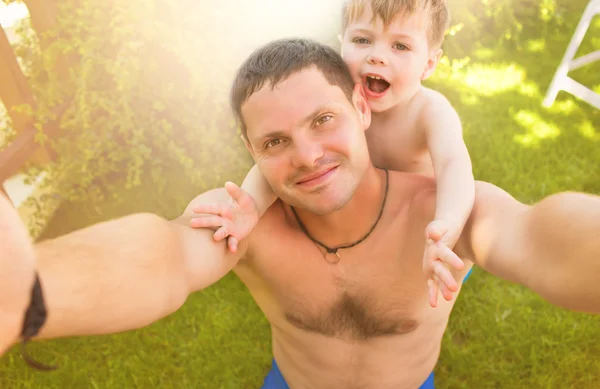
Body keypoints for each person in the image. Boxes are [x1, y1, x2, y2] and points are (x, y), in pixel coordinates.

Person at [1, 38, 599, 389]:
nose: (307, 157)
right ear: (252, 153)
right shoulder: (248, 224)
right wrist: (23, 295)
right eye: (275, 141)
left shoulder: (442, 216)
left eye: (322, 120)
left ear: (363, 111)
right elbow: (165, 257)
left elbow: (539, 236)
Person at [206, 0, 474, 307]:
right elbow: (276, 162)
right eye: (362, 40)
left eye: (400, 46)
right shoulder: (336, 105)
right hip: (362, 215)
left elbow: (454, 165)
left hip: (417, 222)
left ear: (429, 63)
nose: (377, 56)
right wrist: (250, 206)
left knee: (407, 297)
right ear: (341, 43)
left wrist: (447, 225)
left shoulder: (429, 112)